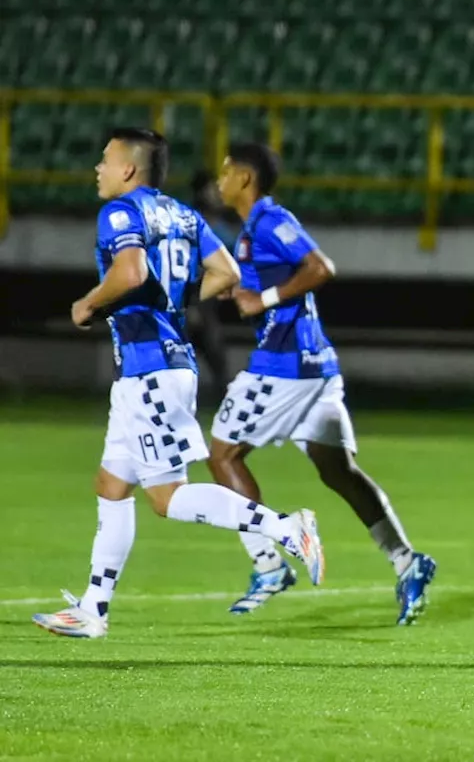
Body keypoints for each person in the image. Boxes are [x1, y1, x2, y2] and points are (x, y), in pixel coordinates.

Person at [32, 128, 324, 640]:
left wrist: (89, 304)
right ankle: (93, 609)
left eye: (105, 160)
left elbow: (129, 271)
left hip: (150, 370)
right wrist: (175, 297)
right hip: (156, 370)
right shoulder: (182, 214)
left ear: (128, 169)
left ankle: (286, 528)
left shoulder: (121, 212)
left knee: (167, 498)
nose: (97, 169)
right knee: (112, 485)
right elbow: (227, 271)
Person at [207, 143, 436, 625]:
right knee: (337, 469)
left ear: (246, 179)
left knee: (222, 454)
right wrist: (244, 291)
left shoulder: (271, 219)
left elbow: (320, 268)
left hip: (287, 363)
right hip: (315, 365)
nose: (219, 178)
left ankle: (268, 563)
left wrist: (262, 297)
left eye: (227, 171)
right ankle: (407, 561)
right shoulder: (253, 231)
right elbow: (270, 284)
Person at [184, 170, 236, 397]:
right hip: (192, 302)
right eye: (211, 189)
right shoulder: (191, 223)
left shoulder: (220, 226)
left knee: (217, 361)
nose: (216, 193)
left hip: (208, 304)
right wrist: (191, 305)